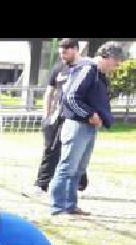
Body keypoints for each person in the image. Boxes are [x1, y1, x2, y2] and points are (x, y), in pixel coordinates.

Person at [49, 42, 125, 216]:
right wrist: (89, 114)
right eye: (116, 63)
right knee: (68, 166)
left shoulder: (97, 73)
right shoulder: (88, 69)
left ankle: (70, 204)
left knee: (79, 168)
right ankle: (58, 206)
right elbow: (71, 97)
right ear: (108, 57)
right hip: (77, 125)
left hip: (87, 127)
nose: (115, 67)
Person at [35, 39, 87, 193]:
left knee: (76, 150)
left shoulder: (85, 68)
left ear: (75, 50)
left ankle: (79, 182)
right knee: (51, 148)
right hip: (57, 115)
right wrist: (46, 115)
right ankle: (42, 182)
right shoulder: (58, 68)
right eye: (60, 52)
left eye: (65, 51)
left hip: (76, 116)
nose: (62, 55)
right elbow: (49, 92)